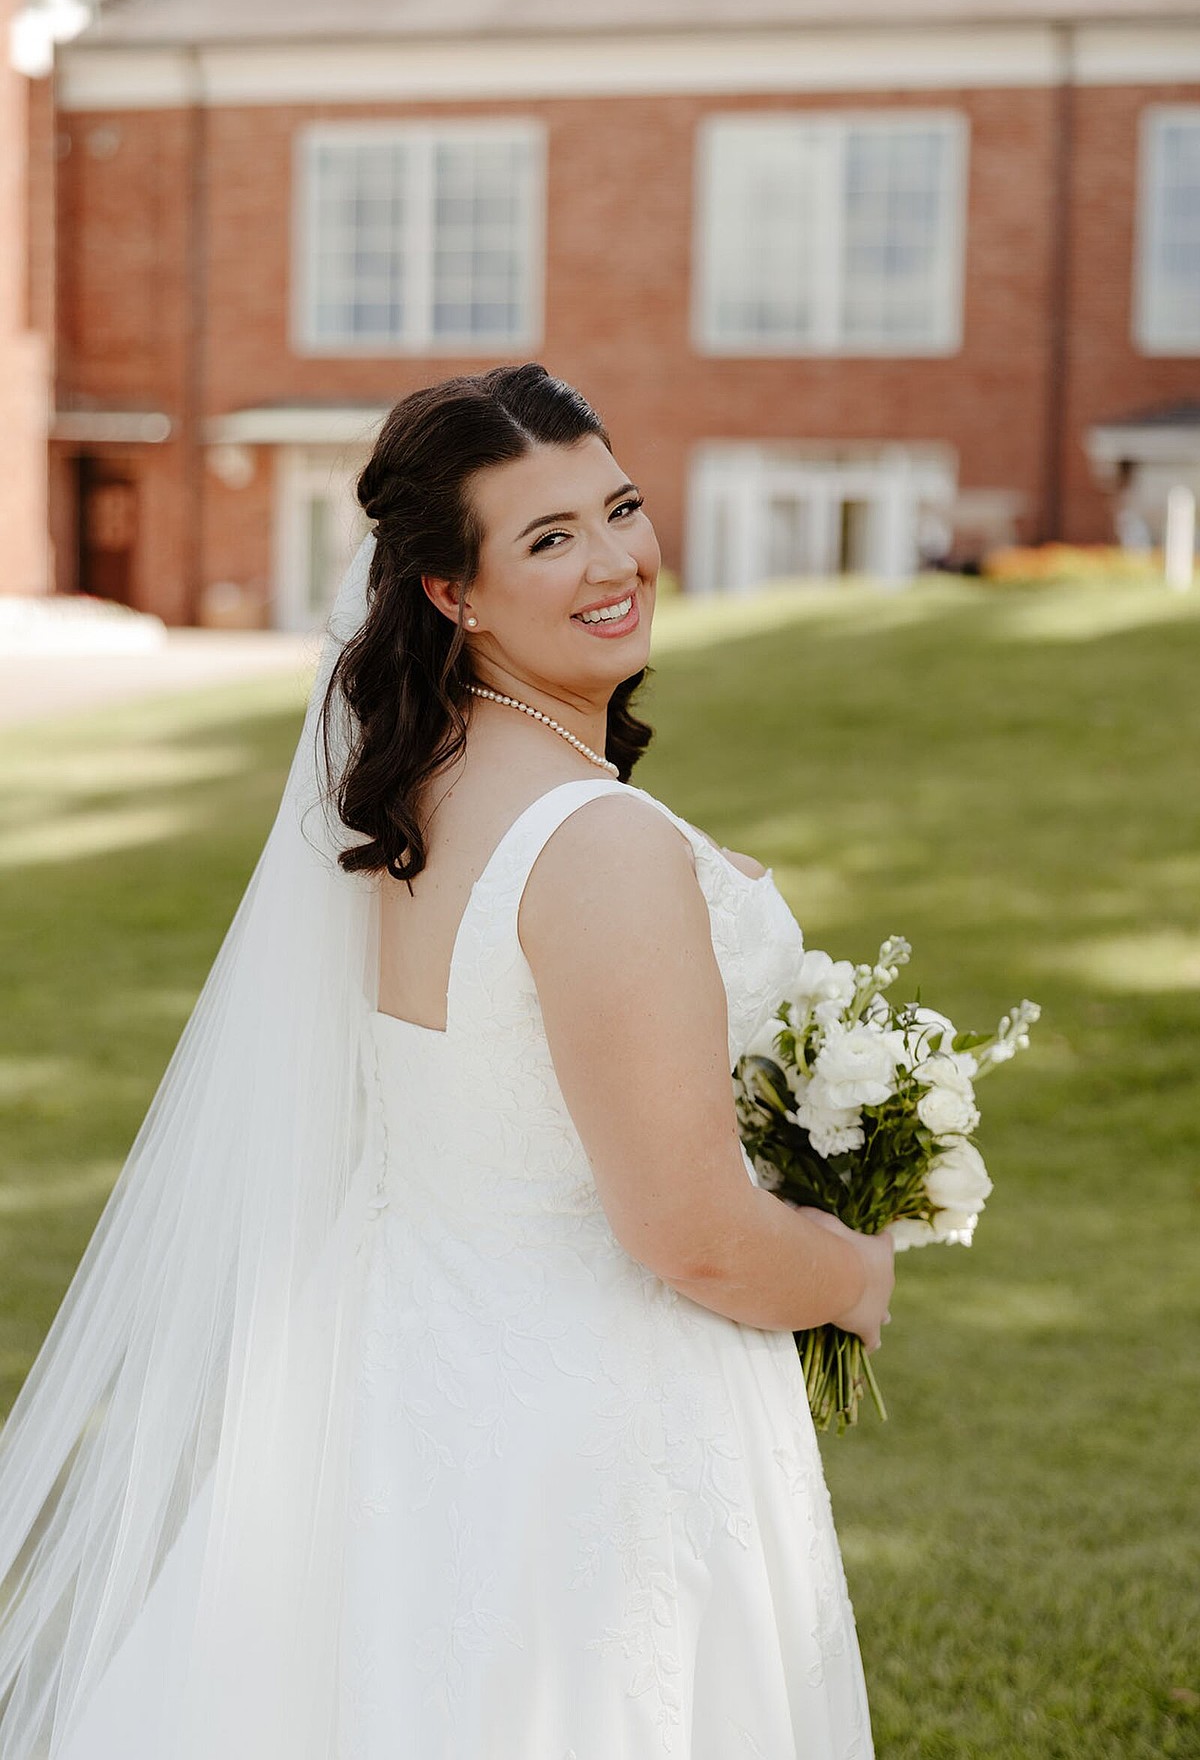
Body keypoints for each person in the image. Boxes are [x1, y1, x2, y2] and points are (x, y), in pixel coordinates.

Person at [0, 364, 894, 1759]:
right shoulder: (597, 843)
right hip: (587, 1421)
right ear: (448, 591)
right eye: (547, 540)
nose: (613, 564)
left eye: (619, 510)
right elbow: (692, 1235)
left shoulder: (409, 790)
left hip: (396, 1367)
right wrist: (851, 1269)